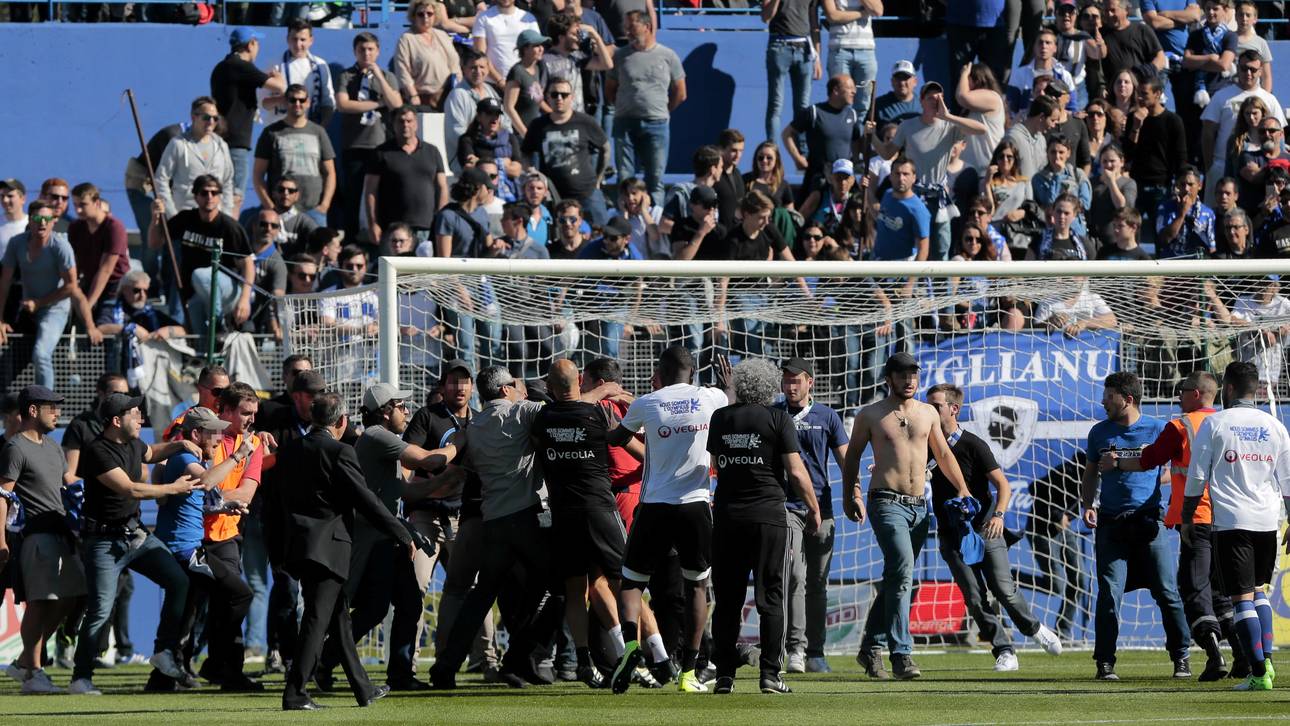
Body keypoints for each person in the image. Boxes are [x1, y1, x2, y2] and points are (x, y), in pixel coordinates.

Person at [604, 347, 730, 694]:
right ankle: (689, 671)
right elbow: (731, 404)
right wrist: (727, 384)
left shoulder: (648, 402)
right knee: (697, 586)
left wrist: (608, 427)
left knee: (631, 583)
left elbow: (617, 438)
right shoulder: (711, 397)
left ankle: (631, 647)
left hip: (655, 505)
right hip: (695, 505)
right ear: (692, 371)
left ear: (660, 370)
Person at [1096, 370, 1236, 681]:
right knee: (1229, 593)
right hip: (1229, 520)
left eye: (1183, 390)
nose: (1178, 396)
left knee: (1186, 590)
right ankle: (1246, 658)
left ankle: (1199, 656)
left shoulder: (1174, 426)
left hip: (1185, 521)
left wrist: (1120, 464)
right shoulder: (1228, 424)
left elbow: (1154, 463)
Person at [277, 392, 413, 710]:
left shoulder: (290, 450)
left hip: (299, 544)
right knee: (316, 619)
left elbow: (275, 500)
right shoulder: (340, 452)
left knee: (339, 620)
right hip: (329, 548)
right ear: (341, 421)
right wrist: (401, 532)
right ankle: (295, 693)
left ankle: (362, 688)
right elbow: (365, 499)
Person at [317, 383, 455, 691]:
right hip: (377, 540)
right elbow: (430, 461)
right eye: (401, 406)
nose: (407, 411)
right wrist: (461, 442)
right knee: (376, 608)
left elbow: (404, 491)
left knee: (405, 605)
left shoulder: (380, 440)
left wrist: (449, 479)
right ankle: (324, 659)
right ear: (384, 411)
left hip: (389, 538)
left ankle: (397, 673)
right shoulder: (379, 436)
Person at [427, 366, 558, 690]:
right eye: (515, 385)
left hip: (493, 524)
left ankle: (445, 666)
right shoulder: (522, 413)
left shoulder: (473, 427)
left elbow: (456, 463)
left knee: (482, 596)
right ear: (504, 391)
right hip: (525, 520)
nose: (520, 389)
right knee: (559, 587)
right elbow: (567, 407)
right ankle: (518, 656)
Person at [843, 352, 971, 681]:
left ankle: (870, 648)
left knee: (897, 579)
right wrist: (850, 495)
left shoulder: (928, 413)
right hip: (885, 502)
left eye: (913, 374)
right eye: (901, 375)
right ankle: (901, 654)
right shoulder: (870, 414)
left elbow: (942, 454)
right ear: (889, 379)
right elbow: (853, 456)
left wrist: (963, 489)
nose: (909, 380)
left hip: (918, 507)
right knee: (902, 573)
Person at [69, 392, 204, 694]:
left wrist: (180, 443)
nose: (141, 417)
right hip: (104, 542)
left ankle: (164, 651)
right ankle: (81, 677)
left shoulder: (132, 443)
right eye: (135, 413)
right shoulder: (97, 450)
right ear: (117, 420)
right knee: (101, 610)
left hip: (136, 536)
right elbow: (131, 489)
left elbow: (151, 453)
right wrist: (173, 487)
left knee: (179, 581)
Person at [925, 383, 1064, 672]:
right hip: (952, 535)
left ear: (954, 409)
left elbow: (1002, 485)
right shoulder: (925, 445)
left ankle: (1035, 628)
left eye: (935, 406)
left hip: (985, 529)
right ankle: (1004, 650)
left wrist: (998, 516)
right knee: (974, 598)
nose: (930, 411)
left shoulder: (973, 444)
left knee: (1003, 589)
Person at [704, 357, 818, 696]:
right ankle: (770, 675)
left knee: (727, 600)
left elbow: (715, 462)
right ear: (771, 387)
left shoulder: (720, 417)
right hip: (768, 518)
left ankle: (724, 675)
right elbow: (796, 473)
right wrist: (813, 508)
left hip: (727, 517)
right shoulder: (778, 418)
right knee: (771, 597)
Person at [531, 360, 640, 687]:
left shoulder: (543, 418)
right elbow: (624, 430)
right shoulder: (598, 413)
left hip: (564, 513)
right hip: (599, 509)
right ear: (579, 380)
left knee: (574, 588)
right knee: (624, 579)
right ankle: (631, 647)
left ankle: (582, 659)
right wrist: (612, 391)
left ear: (550, 387)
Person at [1184, 360, 1290, 692]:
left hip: (1232, 521)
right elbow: (1287, 482)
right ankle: (1266, 663)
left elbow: (1196, 477)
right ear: (1256, 388)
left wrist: (1188, 519)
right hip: (1267, 521)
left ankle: (1258, 673)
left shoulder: (1216, 424)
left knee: (1241, 598)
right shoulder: (1275, 426)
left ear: (1228, 389)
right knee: (1259, 592)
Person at [1081, 371, 1192, 681]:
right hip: (1111, 524)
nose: (1103, 401)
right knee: (1109, 594)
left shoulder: (1160, 429)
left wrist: (1153, 475)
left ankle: (1181, 656)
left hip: (1149, 523)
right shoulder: (1099, 433)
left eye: (1109, 396)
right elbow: (1090, 473)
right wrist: (1088, 504)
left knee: (1167, 592)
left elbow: (1175, 469)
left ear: (1127, 399)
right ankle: (1105, 663)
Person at [0, 386, 85, 694]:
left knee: (71, 597)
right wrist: (1, 541)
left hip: (62, 533)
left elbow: (68, 483)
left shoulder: (53, 447)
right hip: (34, 535)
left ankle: (25, 662)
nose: (58, 412)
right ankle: (34, 673)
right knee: (39, 603)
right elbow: (2, 496)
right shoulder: (15, 447)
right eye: (52, 407)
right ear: (33, 411)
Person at [775, 357, 848, 675]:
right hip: (787, 507)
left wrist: (855, 492)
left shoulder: (827, 416)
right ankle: (796, 649)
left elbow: (845, 459)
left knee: (818, 583)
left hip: (823, 507)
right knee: (794, 578)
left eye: (796, 380)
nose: (791, 385)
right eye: (786, 380)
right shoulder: (774, 415)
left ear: (810, 382)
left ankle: (816, 651)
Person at [0, 200, 102, 386]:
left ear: (54, 221)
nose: (43, 223)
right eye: (38, 218)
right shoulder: (17, 243)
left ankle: (46, 407)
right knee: (9, 354)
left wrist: (90, 326)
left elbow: (72, 286)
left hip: (54, 310)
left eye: (48, 218)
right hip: (28, 310)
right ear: (29, 220)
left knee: (41, 354)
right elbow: (5, 282)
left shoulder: (60, 246)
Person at [148, 175, 254, 339]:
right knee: (198, 336)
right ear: (196, 196)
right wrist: (155, 218)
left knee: (201, 275)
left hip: (227, 291)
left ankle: (219, 324)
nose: (209, 197)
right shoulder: (185, 219)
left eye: (214, 193)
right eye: (204, 193)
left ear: (220, 196)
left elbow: (248, 264)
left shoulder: (229, 226)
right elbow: (155, 243)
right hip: (197, 294)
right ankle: (209, 356)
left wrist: (245, 299)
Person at [607, 9, 686, 206]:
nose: (628, 32)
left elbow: (681, 92)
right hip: (624, 124)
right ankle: (624, 224)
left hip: (657, 125)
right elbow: (610, 89)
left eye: (632, 27)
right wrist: (623, 108)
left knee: (655, 179)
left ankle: (655, 225)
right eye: (626, 28)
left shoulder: (668, 56)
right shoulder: (620, 56)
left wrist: (663, 110)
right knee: (624, 178)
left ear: (647, 26)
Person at [209, 27, 287, 211]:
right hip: (236, 142)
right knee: (235, 197)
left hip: (218, 139)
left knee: (216, 195)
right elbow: (280, 86)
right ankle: (229, 238)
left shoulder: (221, 67)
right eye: (257, 43)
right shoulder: (242, 66)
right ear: (251, 44)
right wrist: (278, 77)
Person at [336, 32, 403, 238]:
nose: (366, 53)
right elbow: (343, 104)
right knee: (354, 196)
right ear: (355, 52)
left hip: (380, 144)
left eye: (370, 49)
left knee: (381, 195)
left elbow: (397, 105)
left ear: (378, 51)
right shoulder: (347, 76)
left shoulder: (388, 76)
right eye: (361, 50)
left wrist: (380, 78)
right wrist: (377, 104)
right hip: (355, 145)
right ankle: (351, 239)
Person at [522, 77, 611, 226]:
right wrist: (531, 171)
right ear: (547, 97)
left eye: (564, 95)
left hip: (587, 194)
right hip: (554, 197)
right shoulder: (538, 125)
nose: (559, 98)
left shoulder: (585, 121)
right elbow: (525, 153)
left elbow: (605, 149)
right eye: (555, 94)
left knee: (600, 237)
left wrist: (598, 179)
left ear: (572, 97)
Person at [1201, 50, 1284, 204]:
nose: (1248, 73)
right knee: (1218, 215)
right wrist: (1210, 167)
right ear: (1237, 68)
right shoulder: (1221, 96)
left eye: (1253, 69)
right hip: (1222, 165)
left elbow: (1280, 133)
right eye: (1244, 68)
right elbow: (1208, 133)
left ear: (1260, 71)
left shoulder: (1269, 99)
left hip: (1260, 167)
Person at [252, 84, 336, 225]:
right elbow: (258, 175)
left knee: (316, 248)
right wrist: (270, 207)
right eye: (292, 100)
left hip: (314, 212)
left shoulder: (319, 132)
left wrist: (324, 206)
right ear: (285, 102)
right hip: (280, 211)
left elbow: (330, 173)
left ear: (308, 103)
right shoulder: (271, 133)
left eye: (302, 100)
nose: (297, 104)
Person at [365, 107, 449, 245]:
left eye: (409, 121)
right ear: (393, 124)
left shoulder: (432, 151)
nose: (405, 125)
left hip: (426, 228)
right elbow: (370, 191)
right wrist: (372, 223)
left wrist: (440, 220)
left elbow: (442, 187)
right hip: (392, 229)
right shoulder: (380, 153)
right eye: (401, 121)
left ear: (416, 123)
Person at [154, 97, 236, 220]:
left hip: (215, 219)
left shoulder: (222, 146)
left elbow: (228, 182)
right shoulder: (178, 144)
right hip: (185, 216)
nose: (211, 122)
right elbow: (161, 179)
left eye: (215, 118)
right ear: (193, 117)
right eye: (206, 117)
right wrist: (172, 215)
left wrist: (228, 214)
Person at [783, 75, 861, 200]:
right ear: (835, 90)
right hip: (818, 178)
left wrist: (856, 161)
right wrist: (797, 158)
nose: (854, 91)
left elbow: (857, 139)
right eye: (850, 87)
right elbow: (787, 134)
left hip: (844, 179)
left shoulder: (852, 115)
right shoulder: (814, 112)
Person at [761, 0, 821, 146]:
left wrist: (817, 57)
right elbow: (766, 17)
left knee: (803, 107)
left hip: (805, 48)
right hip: (779, 44)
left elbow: (814, 23)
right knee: (776, 104)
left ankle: (802, 154)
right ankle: (772, 151)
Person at [68, 182, 130, 314]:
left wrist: (88, 305)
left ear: (96, 203)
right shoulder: (75, 227)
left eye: (83, 205)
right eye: (75, 205)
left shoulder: (114, 227)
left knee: (103, 320)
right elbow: (75, 264)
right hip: (89, 281)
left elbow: (106, 269)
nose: (78, 210)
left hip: (115, 285)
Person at [392, 0, 463, 110]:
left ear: (435, 15)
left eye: (429, 13)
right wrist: (413, 95)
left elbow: (455, 64)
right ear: (413, 16)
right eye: (420, 14)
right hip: (423, 100)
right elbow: (402, 71)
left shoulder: (442, 35)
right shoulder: (406, 39)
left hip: (449, 97)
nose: (425, 17)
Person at [263, 21, 337, 127]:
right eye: (294, 39)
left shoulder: (320, 65)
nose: (298, 44)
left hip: (311, 130)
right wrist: (284, 97)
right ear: (287, 39)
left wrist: (321, 128)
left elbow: (328, 102)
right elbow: (264, 103)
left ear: (311, 40)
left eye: (303, 40)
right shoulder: (275, 65)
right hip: (281, 130)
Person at [445, 50, 510, 169]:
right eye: (473, 67)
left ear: (488, 68)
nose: (478, 71)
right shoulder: (457, 95)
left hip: (496, 161)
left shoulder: (490, 90)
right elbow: (457, 133)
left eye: (482, 67)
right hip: (469, 164)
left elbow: (505, 124)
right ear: (463, 68)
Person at [821, 0, 878, 119]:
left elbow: (878, 10)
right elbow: (832, 16)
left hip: (866, 50)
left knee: (864, 102)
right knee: (839, 98)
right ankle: (841, 135)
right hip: (839, 50)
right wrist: (862, 13)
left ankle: (858, 134)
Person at [239, 174, 318, 251]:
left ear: (297, 195)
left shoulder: (303, 221)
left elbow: (320, 241)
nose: (285, 193)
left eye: (291, 191)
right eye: (281, 189)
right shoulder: (257, 217)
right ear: (273, 193)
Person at [472, 0, 540, 85]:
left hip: (522, 82)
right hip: (492, 83)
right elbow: (480, 55)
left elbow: (535, 53)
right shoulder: (483, 18)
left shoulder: (529, 19)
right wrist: (499, 80)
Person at [1101, 0, 1167, 85]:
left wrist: (1145, 72)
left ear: (1126, 10)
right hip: (1113, 90)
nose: (1109, 14)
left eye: (1113, 10)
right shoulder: (1101, 34)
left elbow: (1160, 58)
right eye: (1106, 11)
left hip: (1140, 87)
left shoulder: (1142, 30)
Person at [504, 29, 551, 139]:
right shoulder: (517, 72)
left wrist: (554, 114)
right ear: (525, 49)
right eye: (536, 45)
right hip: (520, 136)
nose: (541, 49)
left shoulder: (537, 68)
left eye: (541, 45)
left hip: (535, 132)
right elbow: (509, 107)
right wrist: (525, 134)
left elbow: (537, 99)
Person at [873, 60, 920, 126]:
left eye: (905, 78)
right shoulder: (878, 105)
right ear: (892, 81)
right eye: (898, 78)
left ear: (915, 81)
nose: (902, 83)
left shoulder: (924, 104)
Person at [0, 178, 27, 248]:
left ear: (23, 199)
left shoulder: (33, 224)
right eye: (2, 196)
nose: (5, 200)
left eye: (10, 196)